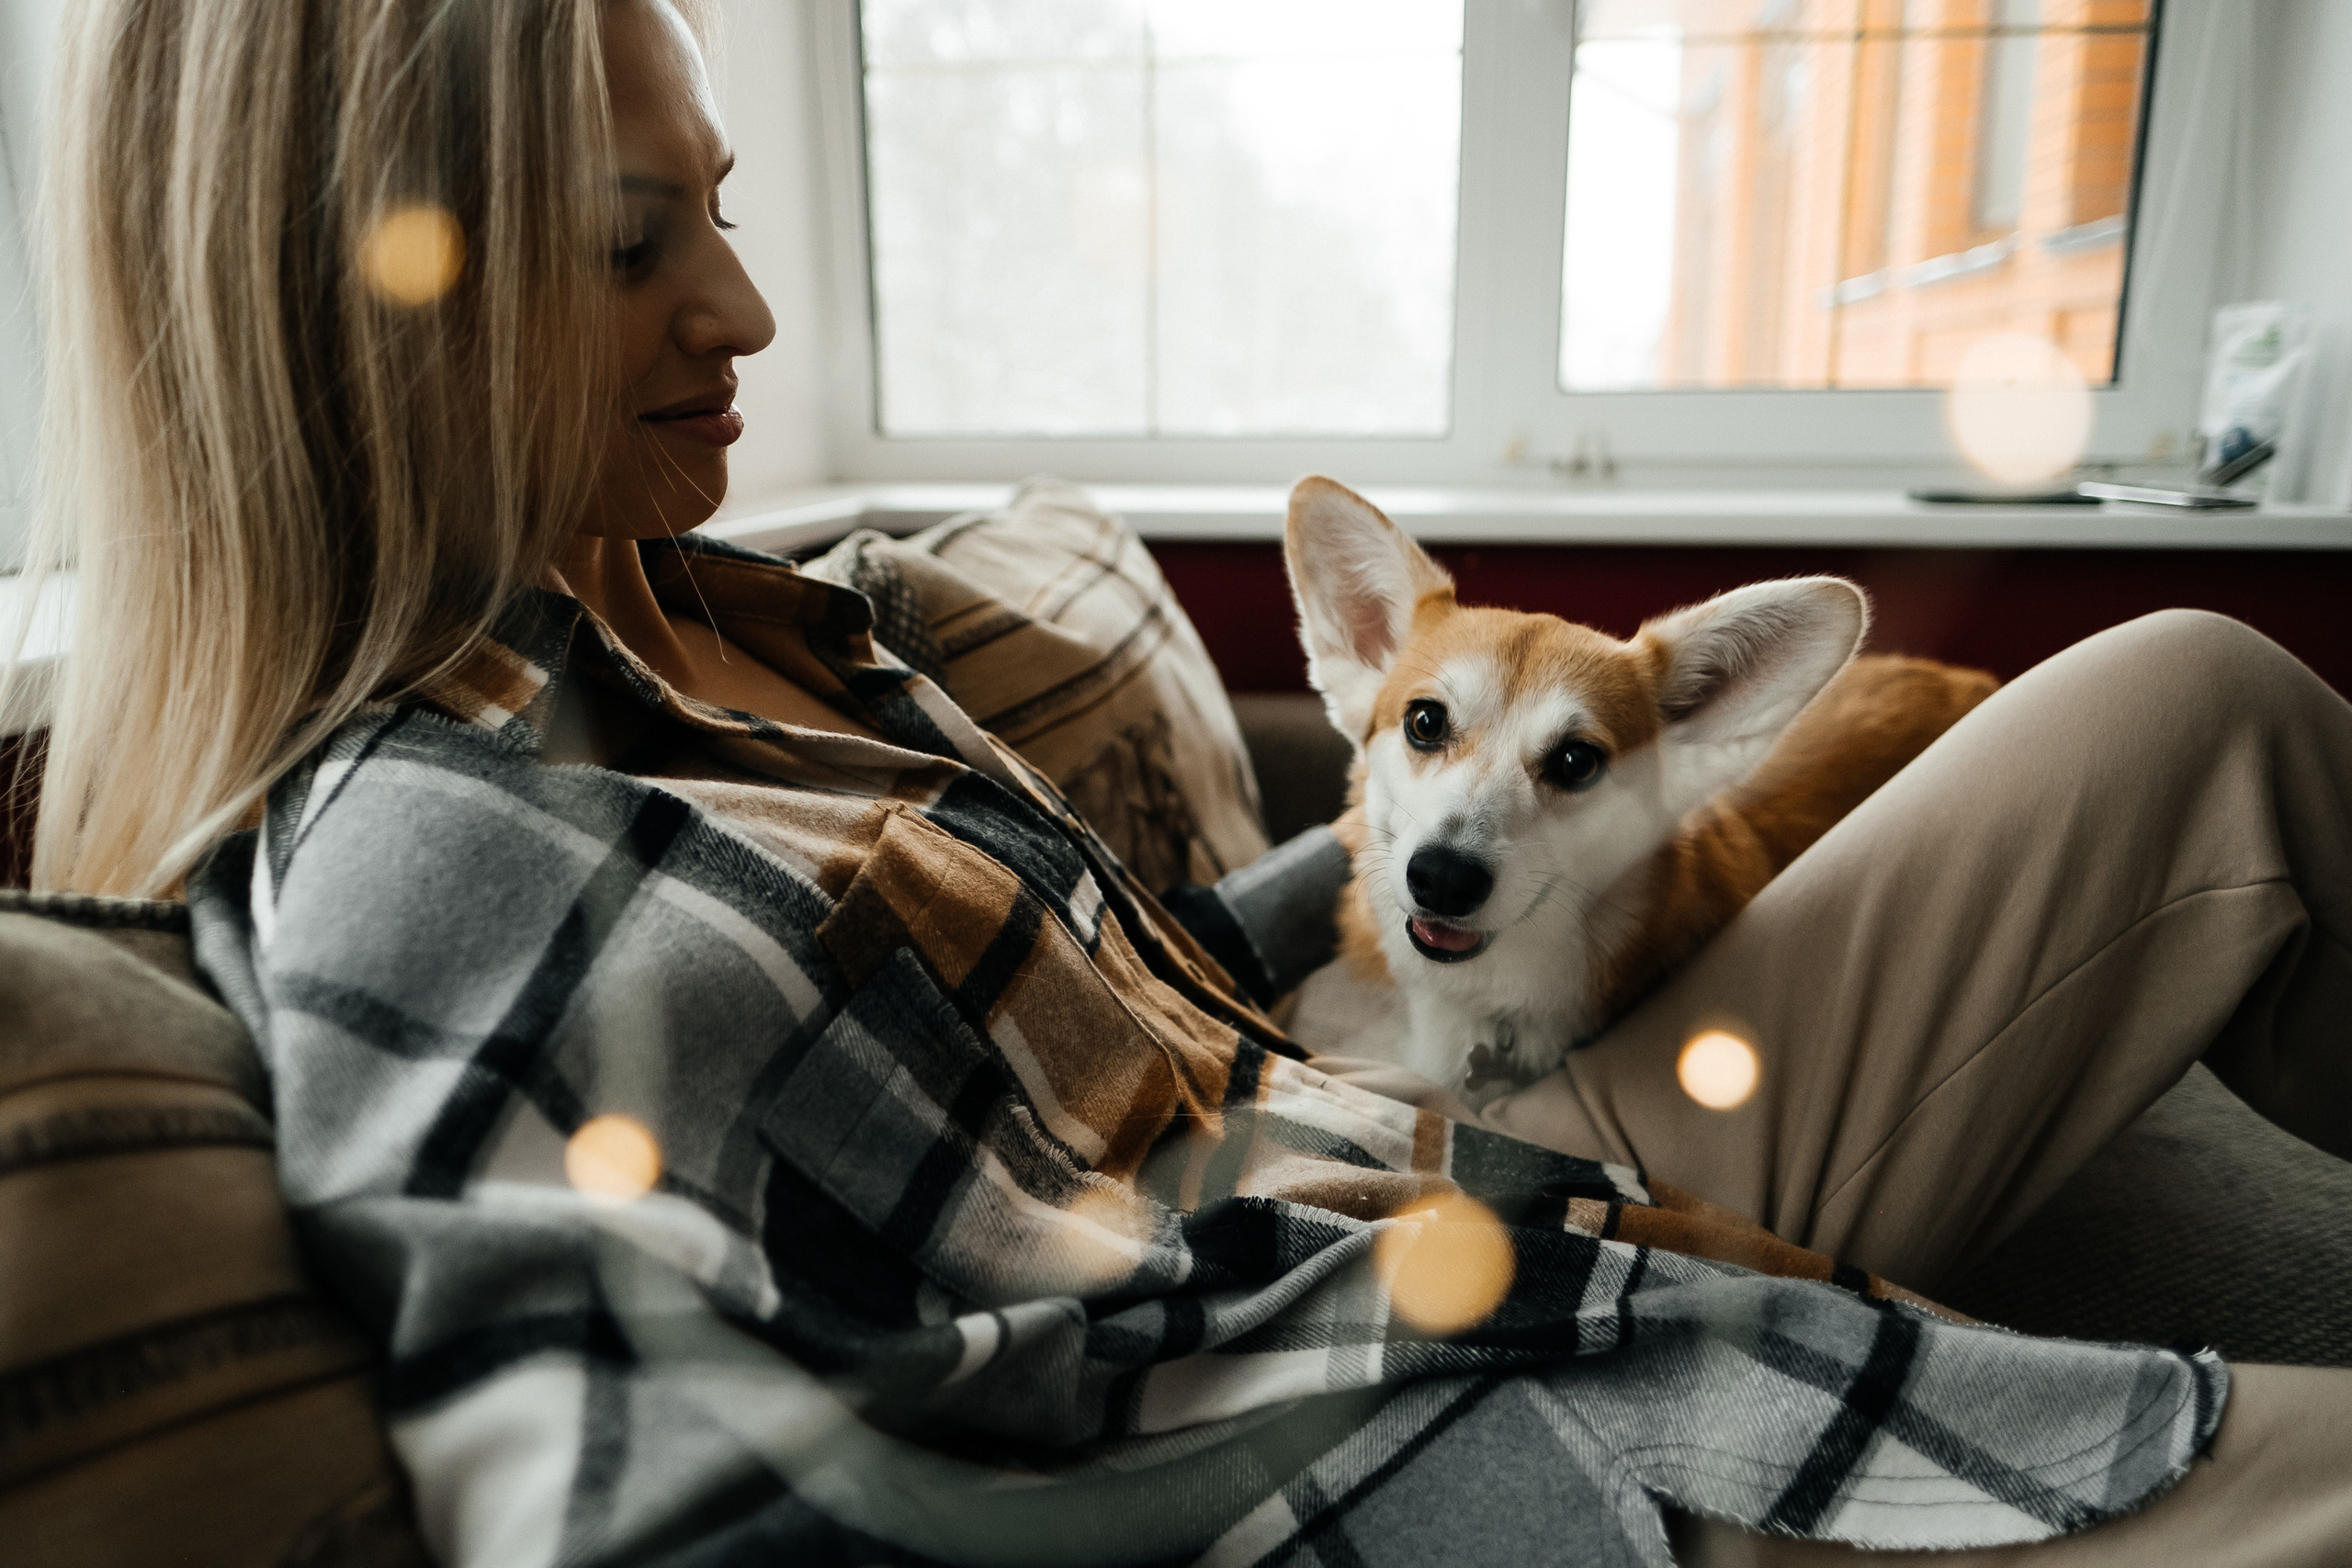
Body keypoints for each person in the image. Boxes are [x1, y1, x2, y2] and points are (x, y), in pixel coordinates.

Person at [20, 1, 2349, 1564]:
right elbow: (670, 1488)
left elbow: (1102, 998)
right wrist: (1474, 1264)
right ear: (359, 296)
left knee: (2199, 697)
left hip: (1425, 1144)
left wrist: (1430, 860)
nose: (740, 318)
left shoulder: (724, 612)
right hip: (1460, 1389)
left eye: (717, 212)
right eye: (636, 248)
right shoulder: (428, 863)